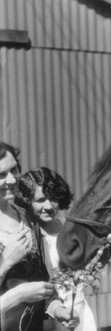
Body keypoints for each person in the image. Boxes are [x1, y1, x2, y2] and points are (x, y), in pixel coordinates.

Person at [15, 167, 98, 331]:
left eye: (53, 198)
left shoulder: (67, 226)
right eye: (40, 200)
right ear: (26, 202)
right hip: (50, 316)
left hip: (78, 309)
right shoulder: (28, 236)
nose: (49, 206)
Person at [0, 141, 54, 331]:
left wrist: (56, 308)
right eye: (1, 174)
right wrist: (5, 262)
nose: (12, 180)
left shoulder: (28, 217)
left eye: (14, 170)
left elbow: (44, 278)